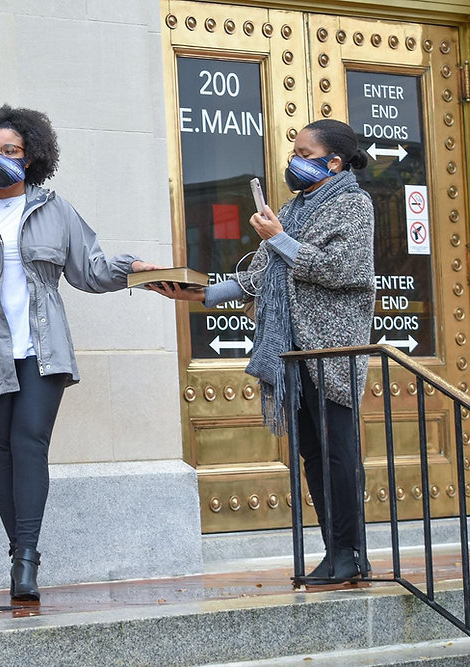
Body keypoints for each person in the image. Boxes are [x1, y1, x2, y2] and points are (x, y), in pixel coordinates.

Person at [0, 105, 160, 601]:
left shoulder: (55, 209)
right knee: (1, 452)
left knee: (30, 442)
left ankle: (27, 557)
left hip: (41, 348)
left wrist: (134, 267)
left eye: (8, 151)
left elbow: (90, 269)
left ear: (30, 156)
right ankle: (19, 552)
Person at [150, 118, 375, 582]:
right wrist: (200, 291)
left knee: (338, 454)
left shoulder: (354, 205)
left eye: (305, 155)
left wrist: (278, 238)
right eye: (294, 153)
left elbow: (340, 269)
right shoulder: (295, 209)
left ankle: (351, 554)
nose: (295, 163)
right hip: (292, 351)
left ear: (335, 162)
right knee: (313, 452)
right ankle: (334, 552)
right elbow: (265, 276)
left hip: (329, 351)